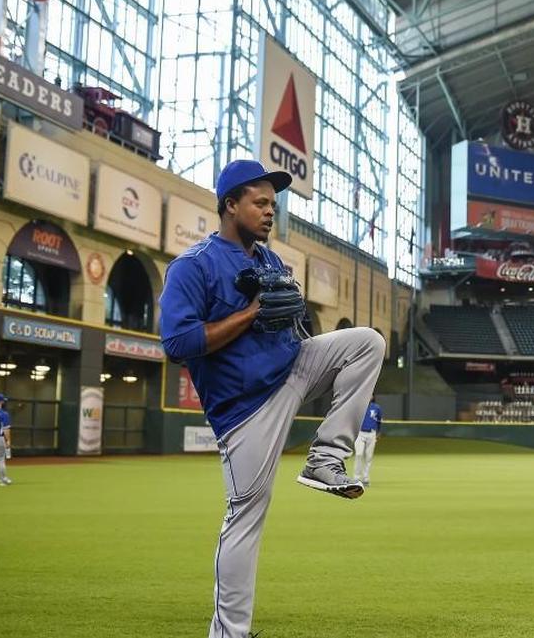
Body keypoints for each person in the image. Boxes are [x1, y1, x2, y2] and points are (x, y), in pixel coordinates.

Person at [159, 159, 386, 638]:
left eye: (273, 203)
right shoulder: (192, 267)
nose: (270, 212)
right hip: (246, 409)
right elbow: (178, 344)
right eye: (260, 203)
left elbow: (286, 319)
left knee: (367, 342)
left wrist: (288, 312)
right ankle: (228, 634)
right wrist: (251, 312)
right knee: (245, 516)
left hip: (293, 367)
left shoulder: (269, 260)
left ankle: (324, 459)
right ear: (230, 204)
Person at [354, 395, 382, 486]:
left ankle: (365, 478)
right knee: (359, 454)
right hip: (360, 433)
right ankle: (356, 478)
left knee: (368, 457)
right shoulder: (359, 406)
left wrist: (378, 432)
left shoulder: (376, 408)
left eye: (371, 394)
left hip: (372, 434)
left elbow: (379, 421)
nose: (369, 396)